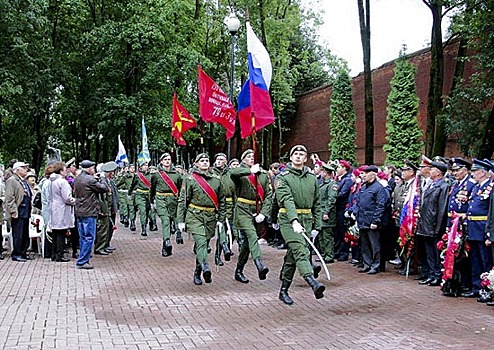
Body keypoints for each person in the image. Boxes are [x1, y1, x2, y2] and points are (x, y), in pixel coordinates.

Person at [275, 145, 325, 305]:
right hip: (288, 220)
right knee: (301, 251)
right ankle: (313, 282)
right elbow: (287, 200)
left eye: (301, 154)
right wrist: (294, 220)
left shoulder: (312, 179)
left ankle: (283, 290)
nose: (297, 156)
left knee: (293, 256)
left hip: (307, 219)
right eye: (295, 154)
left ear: (305, 159)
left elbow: (317, 203)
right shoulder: (282, 177)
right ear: (290, 158)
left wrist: (317, 226)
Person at [177, 153, 226, 285]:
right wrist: (180, 220)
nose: (204, 162)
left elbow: (222, 200)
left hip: (210, 217)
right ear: (196, 163)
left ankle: (198, 271)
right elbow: (183, 200)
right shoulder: (190, 179)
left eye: (206, 160)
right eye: (202, 160)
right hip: (195, 215)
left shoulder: (216, 179)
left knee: (204, 243)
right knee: (201, 242)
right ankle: (205, 266)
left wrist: (221, 220)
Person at [230, 149, 272, 284]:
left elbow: (269, 196)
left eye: (253, 156)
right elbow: (233, 173)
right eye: (248, 156)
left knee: (248, 245)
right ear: (243, 160)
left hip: (258, 210)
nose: (251, 158)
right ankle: (259, 264)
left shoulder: (263, 174)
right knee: (252, 234)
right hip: (243, 209)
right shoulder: (241, 173)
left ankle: (238, 271)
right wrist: (250, 171)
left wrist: (264, 213)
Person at [462, 159, 493, 298]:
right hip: (473, 228)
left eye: (475, 171)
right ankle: (476, 287)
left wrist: (489, 232)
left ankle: (487, 288)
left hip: (482, 228)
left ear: (482, 172)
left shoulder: (490, 188)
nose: (472, 174)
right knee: (474, 260)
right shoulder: (476, 187)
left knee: (485, 260)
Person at [416, 161, 450, 287]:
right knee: (429, 252)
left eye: (432, 169)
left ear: (438, 172)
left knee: (435, 253)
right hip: (426, 223)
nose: (429, 171)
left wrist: (438, 227)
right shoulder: (432, 185)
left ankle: (436, 275)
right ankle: (431, 274)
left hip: (434, 225)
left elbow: (441, 209)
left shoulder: (443, 186)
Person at [73, 160, 108, 269]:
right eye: (93, 168)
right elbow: (104, 188)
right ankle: (83, 261)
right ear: (89, 168)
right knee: (89, 237)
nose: (93, 170)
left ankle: (83, 258)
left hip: (80, 211)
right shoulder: (89, 179)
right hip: (89, 211)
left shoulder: (78, 178)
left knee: (83, 237)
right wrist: (102, 178)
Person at [355, 165, 389, 275]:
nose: (363, 175)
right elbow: (359, 202)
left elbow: (380, 205)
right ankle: (367, 264)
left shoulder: (378, 188)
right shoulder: (364, 187)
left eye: (366, 173)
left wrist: (375, 221)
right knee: (364, 245)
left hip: (371, 221)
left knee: (374, 245)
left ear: (373, 174)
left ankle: (375, 265)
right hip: (363, 220)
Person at [150, 153, 183, 257]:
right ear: (161, 161)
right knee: (165, 220)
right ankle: (167, 241)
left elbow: (179, 188)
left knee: (174, 219)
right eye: (165, 159)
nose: (167, 161)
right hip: (161, 199)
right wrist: (151, 200)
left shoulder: (177, 174)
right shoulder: (156, 174)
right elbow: (153, 188)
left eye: (169, 159)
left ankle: (174, 237)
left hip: (173, 200)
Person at [5, 161, 33, 262]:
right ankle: (16, 253)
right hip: (19, 210)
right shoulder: (12, 180)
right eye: (23, 168)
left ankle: (23, 252)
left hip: (26, 209)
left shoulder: (23, 180)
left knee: (25, 233)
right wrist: (13, 211)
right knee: (18, 233)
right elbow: (9, 197)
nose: (26, 169)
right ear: (17, 170)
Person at [48, 162, 75, 262]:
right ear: (60, 171)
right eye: (64, 169)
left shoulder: (51, 181)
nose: (66, 171)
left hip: (55, 207)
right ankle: (60, 254)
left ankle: (54, 254)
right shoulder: (63, 182)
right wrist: (76, 201)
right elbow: (67, 198)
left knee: (55, 232)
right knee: (61, 233)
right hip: (62, 208)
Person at [210, 153, 234, 265]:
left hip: (229, 205)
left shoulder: (230, 174)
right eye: (218, 159)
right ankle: (223, 247)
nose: (220, 161)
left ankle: (219, 253)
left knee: (227, 229)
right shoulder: (210, 173)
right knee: (220, 228)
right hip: (215, 204)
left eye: (222, 159)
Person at [318, 163, 338, 263]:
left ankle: (329, 255)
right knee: (321, 236)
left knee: (327, 236)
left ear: (326, 173)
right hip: (321, 212)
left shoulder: (332, 184)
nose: (321, 173)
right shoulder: (323, 183)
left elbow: (331, 199)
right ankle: (324, 254)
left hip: (327, 214)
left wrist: (326, 212)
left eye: (322, 171)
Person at [335, 159, 353, 261]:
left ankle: (343, 253)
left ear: (344, 168)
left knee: (343, 232)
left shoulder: (348, 180)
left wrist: (333, 197)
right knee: (338, 232)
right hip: (338, 209)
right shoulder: (340, 179)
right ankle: (338, 251)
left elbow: (342, 194)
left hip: (342, 208)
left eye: (339, 167)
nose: (337, 169)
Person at [128, 162, 153, 236]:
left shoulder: (151, 175)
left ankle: (148, 223)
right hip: (140, 194)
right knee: (143, 211)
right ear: (141, 167)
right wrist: (129, 193)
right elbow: (132, 185)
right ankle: (144, 228)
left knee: (148, 211)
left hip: (148, 195)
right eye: (144, 165)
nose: (146, 167)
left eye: (147, 165)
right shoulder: (137, 175)